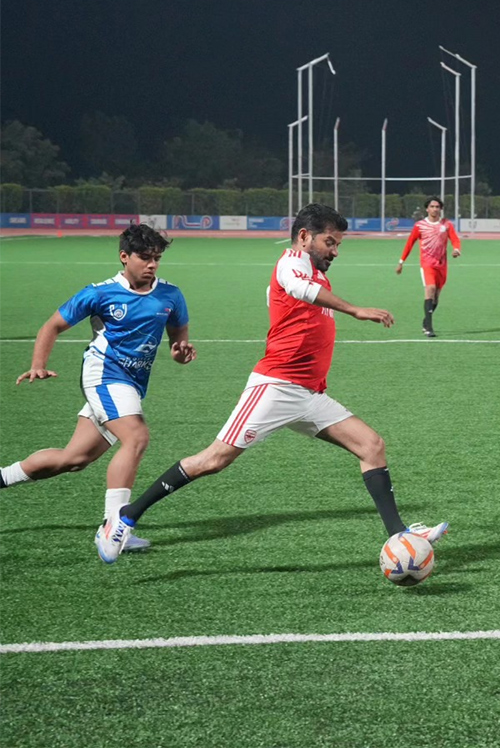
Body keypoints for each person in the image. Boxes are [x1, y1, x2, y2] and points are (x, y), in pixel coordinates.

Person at [96, 204, 447, 564]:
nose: (335, 251)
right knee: (213, 460)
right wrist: (356, 309)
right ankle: (123, 519)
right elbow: (299, 289)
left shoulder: (313, 270)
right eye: (330, 241)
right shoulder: (291, 262)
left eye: (338, 244)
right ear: (304, 237)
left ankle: (399, 535)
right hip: (275, 386)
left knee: (371, 446)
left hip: (308, 394)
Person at [1, 225, 195, 555]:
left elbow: (178, 343)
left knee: (73, 458)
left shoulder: (171, 296)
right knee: (136, 437)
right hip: (103, 375)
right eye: (145, 257)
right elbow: (53, 325)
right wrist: (38, 362)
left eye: (157, 259)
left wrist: (179, 353)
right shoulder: (100, 293)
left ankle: (3, 477)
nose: (152, 265)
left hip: (131, 385)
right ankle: (113, 527)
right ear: (124, 257)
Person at [396, 197, 461, 337]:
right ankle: (429, 328)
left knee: (436, 297)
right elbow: (410, 243)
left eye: (437, 207)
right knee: (430, 289)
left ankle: (426, 321)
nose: (435, 209)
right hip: (427, 264)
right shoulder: (419, 226)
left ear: (441, 209)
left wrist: (456, 249)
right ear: (427, 209)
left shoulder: (447, 224)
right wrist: (401, 261)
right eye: (432, 206)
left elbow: (455, 239)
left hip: (442, 265)